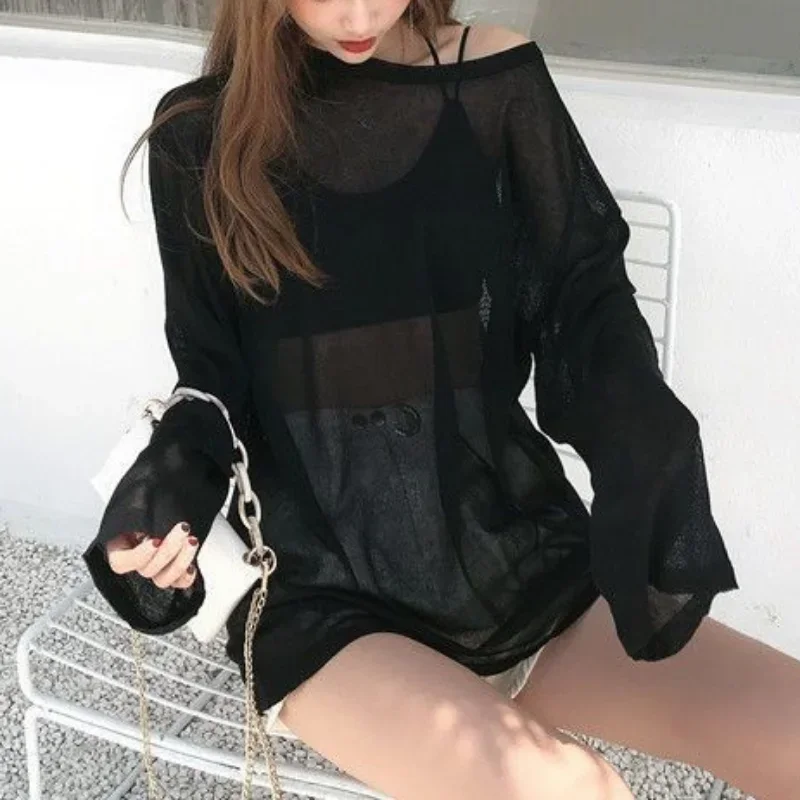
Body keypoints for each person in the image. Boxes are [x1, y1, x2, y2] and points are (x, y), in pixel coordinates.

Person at [80, 2, 800, 798]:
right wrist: (160, 499)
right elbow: (211, 380)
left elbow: (584, 304)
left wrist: (645, 439)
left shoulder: (492, 80)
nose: (359, 12)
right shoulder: (200, 134)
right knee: (571, 789)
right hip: (321, 589)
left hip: (512, 554)